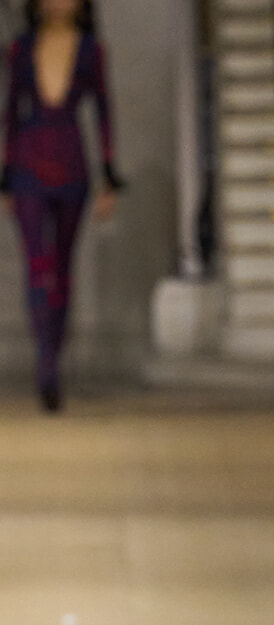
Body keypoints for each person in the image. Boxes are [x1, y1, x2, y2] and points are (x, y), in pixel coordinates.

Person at [1, 0, 121, 410]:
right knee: (38, 265)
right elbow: (11, 114)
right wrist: (5, 177)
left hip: (72, 165)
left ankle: (52, 354)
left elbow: (104, 112)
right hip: (28, 166)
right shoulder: (21, 48)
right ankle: (46, 363)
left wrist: (109, 176)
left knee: (62, 266)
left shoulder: (91, 51)